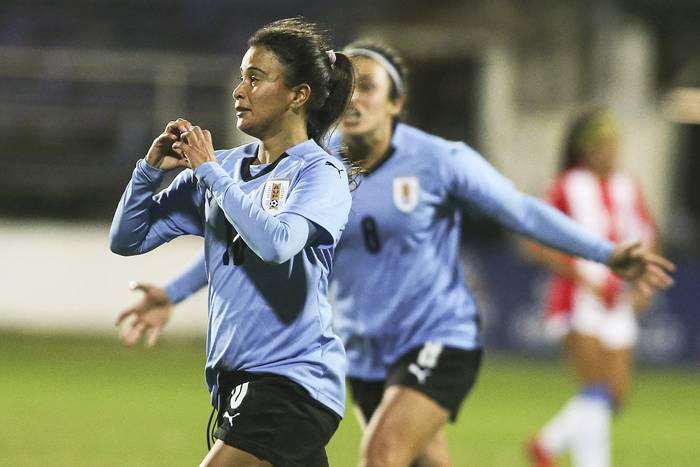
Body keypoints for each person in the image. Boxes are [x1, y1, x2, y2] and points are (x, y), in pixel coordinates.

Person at [117, 43, 674, 467]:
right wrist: (174, 291)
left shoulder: (438, 161)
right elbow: (251, 242)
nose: (354, 98)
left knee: (381, 454)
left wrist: (604, 253)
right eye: (348, 86)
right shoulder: (315, 170)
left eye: (370, 88)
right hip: (364, 349)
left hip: (437, 338)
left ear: (397, 104)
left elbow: (521, 212)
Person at [109, 18, 355, 467]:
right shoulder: (224, 168)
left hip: (290, 381)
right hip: (237, 382)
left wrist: (208, 172)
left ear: (298, 95)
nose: (239, 90)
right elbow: (128, 239)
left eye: (255, 79)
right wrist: (148, 173)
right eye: (241, 77)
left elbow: (277, 244)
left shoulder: (319, 173)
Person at [526, 109, 661, 467]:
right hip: (578, 299)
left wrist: (644, 283)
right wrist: (583, 278)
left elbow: (649, 235)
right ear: (585, 148)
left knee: (614, 394)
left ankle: (548, 441)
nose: (610, 151)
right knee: (596, 390)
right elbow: (535, 243)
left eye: (613, 144)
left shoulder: (627, 185)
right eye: (602, 144)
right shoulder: (565, 185)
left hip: (619, 302)